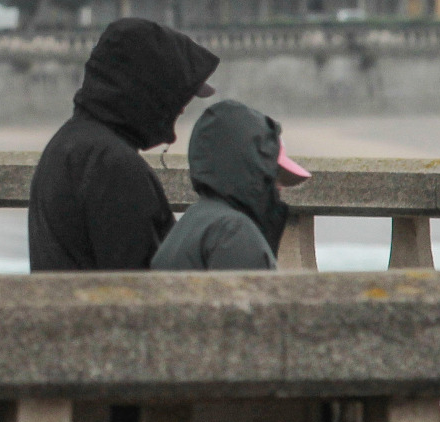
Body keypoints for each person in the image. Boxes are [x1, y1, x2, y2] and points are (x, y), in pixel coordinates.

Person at [28, 18, 220, 272]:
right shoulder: (113, 167)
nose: (182, 109)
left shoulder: (67, 143)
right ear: (151, 90)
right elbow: (138, 283)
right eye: (177, 97)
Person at [150, 99, 311, 271]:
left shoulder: (193, 221)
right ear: (253, 170)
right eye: (273, 175)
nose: (279, 188)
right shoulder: (233, 233)